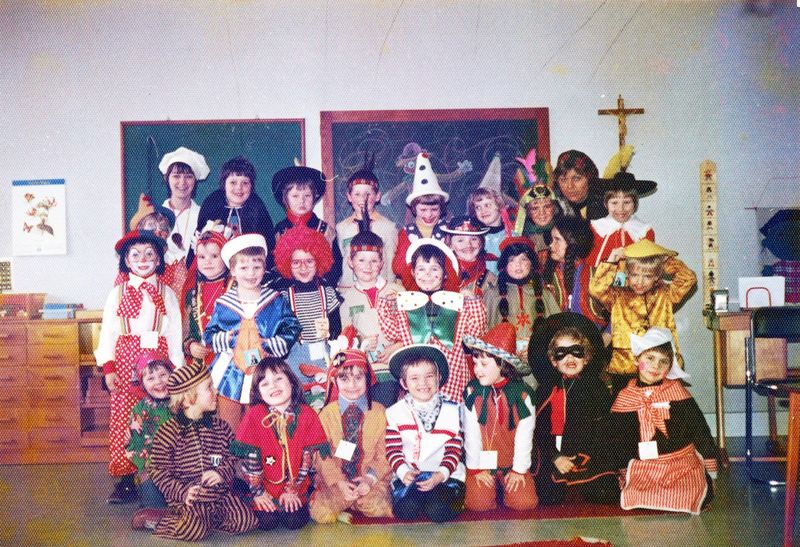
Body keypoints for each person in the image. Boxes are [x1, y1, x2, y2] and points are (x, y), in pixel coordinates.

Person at [96, 229, 184, 505]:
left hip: (158, 358)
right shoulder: (118, 293)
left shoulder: (167, 293)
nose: (143, 259)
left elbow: (175, 333)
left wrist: (178, 368)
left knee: (159, 414)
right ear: (126, 261)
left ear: (158, 260)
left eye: (149, 254)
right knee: (125, 415)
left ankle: (161, 473)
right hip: (125, 359)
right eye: (135, 255)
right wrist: (108, 367)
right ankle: (125, 479)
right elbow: (108, 332)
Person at [609, 328, 718, 515]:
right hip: (644, 466)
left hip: (679, 464)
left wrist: (712, 472)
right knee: (632, 492)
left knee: (692, 491)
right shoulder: (625, 397)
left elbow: (700, 431)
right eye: (650, 358)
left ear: (669, 367)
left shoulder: (678, 393)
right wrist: (624, 470)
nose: (656, 366)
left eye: (663, 361)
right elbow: (618, 439)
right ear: (637, 360)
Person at [147, 360, 258, 541]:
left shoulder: (221, 427)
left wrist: (221, 473)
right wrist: (183, 492)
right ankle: (160, 519)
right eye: (209, 388)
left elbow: (232, 457)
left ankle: (207, 520)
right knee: (194, 531)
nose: (216, 391)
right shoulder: (168, 433)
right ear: (188, 398)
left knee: (246, 521)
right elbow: (159, 471)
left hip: (219, 496)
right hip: (189, 499)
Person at [204, 234, 302, 430]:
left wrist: (270, 344)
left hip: (264, 372)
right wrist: (228, 340)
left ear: (264, 268)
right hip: (229, 373)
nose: (251, 273)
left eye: (256, 267)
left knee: (260, 423)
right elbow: (209, 334)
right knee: (227, 425)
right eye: (243, 268)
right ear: (233, 270)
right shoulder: (224, 303)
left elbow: (292, 327)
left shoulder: (275, 301)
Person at [527, 313, 620, 506]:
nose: (569, 357)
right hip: (556, 454)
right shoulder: (546, 389)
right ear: (553, 361)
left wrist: (585, 455)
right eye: (561, 353)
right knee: (549, 495)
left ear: (586, 358)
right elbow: (540, 429)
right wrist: (555, 456)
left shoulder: (596, 388)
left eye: (576, 351)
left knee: (604, 493)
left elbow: (604, 429)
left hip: (589, 454)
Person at [379, 238, 487, 403]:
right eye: (421, 269)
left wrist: (472, 302)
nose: (427, 275)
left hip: (453, 378)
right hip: (418, 381)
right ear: (413, 272)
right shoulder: (406, 303)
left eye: (434, 269)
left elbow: (475, 332)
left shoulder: (456, 302)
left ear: (445, 273)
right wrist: (386, 304)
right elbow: (392, 332)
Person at [234, 358, 330, 531]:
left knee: (295, 521)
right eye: (265, 383)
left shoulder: (306, 414)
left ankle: (298, 498)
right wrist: (259, 493)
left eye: (278, 379)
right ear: (258, 392)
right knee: (267, 522)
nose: (273, 386)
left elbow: (307, 458)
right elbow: (250, 460)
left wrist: (293, 490)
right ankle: (252, 498)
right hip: (264, 485)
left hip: (296, 484)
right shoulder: (254, 416)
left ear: (291, 382)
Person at [589, 239, 696, 389]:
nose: (639, 282)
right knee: (625, 402)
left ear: (657, 276)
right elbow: (596, 288)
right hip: (625, 366)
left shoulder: (666, 294)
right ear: (627, 274)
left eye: (647, 276)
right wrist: (612, 261)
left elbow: (688, 278)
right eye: (634, 275)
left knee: (662, 401)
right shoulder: (617, 296)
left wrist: (665, 262)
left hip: (658, 366)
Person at [309, 348, 393, 523]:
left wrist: (369, 479)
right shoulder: (327, 414)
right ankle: (345, 501)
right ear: (334, 380)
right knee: (321, 514)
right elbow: (321, 454)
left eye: (358, 377)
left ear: (367, 379)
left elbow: (385, 453)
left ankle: (354, 503)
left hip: (370, 479)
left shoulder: (380, 412)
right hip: (336, 481)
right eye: (344, 379)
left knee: (378, 508)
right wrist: (339, 482)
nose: (352, 385)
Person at [461, 323, 538, 512]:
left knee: (524, 503)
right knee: (478, 504)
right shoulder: (472, 392)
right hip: (482, 465)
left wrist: (518, 470)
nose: (477, 369)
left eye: (484, 364)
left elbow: (525, 437)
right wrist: (475, 469)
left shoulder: (523, 395)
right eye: (475, 363)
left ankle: (506, 486)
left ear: (503, 364)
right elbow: (471, 435)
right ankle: (490, 488)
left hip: (511, 464)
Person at [385, 345, 466, 522]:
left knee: (439, 512)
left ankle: (435, 501)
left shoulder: (452, 411)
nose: (423, 383)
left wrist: (441, 474)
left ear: (439, 378)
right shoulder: (395, 413)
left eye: (429, 376)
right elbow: (393, 450)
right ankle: (419, 500)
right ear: (404, 383)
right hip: (412, 476)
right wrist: (403, 472)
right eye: (414, 378)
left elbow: (454, 450)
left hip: (444, 475)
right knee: (406, 511)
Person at [272, 225, 342, 409]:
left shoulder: (328, 292)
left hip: (325, 359)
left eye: (309, 261)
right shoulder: (282, 297)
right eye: (296, 262)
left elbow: (337, 330)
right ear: (288, 264)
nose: (303, 267)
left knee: (327, 406)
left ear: (319, 261)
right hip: (294, 360)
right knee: (298, 407)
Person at [337, 228, 405, 406]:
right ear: (350, 262)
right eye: (361, 260)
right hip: (362, 373)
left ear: (382, 263)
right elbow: (346, 336)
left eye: (374, 261)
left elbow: (412, 329)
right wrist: (361, 341)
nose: (368, 266)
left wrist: (398, 345)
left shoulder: (397, 291)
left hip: (393, 368)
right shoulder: (345, 298)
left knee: (386, 410)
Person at [483, 237, 559, 375]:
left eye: (523, 259)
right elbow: (485, 332)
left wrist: (536, 349)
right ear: (504, 265)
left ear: (532, 263)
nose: (518, 265)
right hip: (502, 368)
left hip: (538, 366)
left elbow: (558, 333)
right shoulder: (492, 295)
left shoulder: (545, 294)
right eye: (512, 260)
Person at [189, 155, 275, 270]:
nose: (239, 187)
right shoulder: (211, 206)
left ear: (251, 186)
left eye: (245, 183)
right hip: (216, 274)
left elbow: (269, 245)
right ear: (224, 184)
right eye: (233, 182)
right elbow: (199, 242)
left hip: (249, 272)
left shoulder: (257, 209)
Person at [272, 163, 342, 286]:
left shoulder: (325, 231)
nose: (302, 201)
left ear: (314, 197)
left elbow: (335, 267)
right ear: (285, 198)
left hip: (319, 290)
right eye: (295, 196)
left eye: (307, 195)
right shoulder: (279, 231)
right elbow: (273, 266)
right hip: (287, 291)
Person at [335, 153, 398, 288]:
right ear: (349, 197)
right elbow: (342, 257)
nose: (363, 199)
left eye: (368, 194)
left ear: (378, 196)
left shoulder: (388, 227)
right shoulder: (342, 228)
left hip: (379, 290)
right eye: (357, 194)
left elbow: (390, 264)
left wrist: (390, 289)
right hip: (349, 290)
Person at [127, 354, 174, 530]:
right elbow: (133, 446)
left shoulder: (183, 403)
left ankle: (172, 514)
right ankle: (157, 512)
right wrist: (150, 464)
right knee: (151, 491)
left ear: (172, 375)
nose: (159, 382)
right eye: (151, 378)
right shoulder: (140, 410)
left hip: (182, 468)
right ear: (142, 383)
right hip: (153, 468)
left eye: (163, 375)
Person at [392, 153, 451, 289]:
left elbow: (454, 266)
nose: (429, 215)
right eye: (423, 210)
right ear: (414, 209)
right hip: (413, 292)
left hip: (444, 292)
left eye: (434, 209)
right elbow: (398, 268)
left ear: (441, 209)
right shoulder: (406, 233)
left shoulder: (448, 231)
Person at [543, 216, 608, 330]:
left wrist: (605, 336)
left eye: (557, 239)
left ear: (573, 242)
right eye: (552, 239)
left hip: (592, 337)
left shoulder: (596, 275)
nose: (551, 245)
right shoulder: (547, 273)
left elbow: (619, 311)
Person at [180, 224, 229, 367]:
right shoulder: (192, 293)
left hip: (230, 362)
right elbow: (186, 331)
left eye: (214, 256)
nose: (207, 261)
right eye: (201, 257)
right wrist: (190, 346)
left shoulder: (236, 288)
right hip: (200, 364)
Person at [587, 172, 656, 267]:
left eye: (627, 202)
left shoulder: (645, 232)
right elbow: (587, 264)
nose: (621, 209)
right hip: (599, 275)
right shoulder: (594, 229)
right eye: (614, 203)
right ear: (606, 204)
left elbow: (649, 266)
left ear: (635, 204)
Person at [158, 146, 210, 264]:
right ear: (167, 178)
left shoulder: (203, 216)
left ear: (195, 181)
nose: (182, 182)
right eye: (176, 176)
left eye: (189, 177)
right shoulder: (155, 216)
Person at [442, 216, 497, 296]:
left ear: (481, 243)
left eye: (474, 239)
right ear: (450, 245)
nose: (468, 245)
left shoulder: (490, 279)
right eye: (460, 240)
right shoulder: (440, 272)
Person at [466, 187, 514, 275]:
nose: (483, 210)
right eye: (478, 207)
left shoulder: (513, 237)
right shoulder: (473, 238)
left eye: (487, 205)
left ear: (499, 206)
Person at [552, 150, 605, 220]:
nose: (570, 186)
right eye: (563, 179)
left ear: (589, 179)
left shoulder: (605, 203)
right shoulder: (553, 204)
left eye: (576, 179)